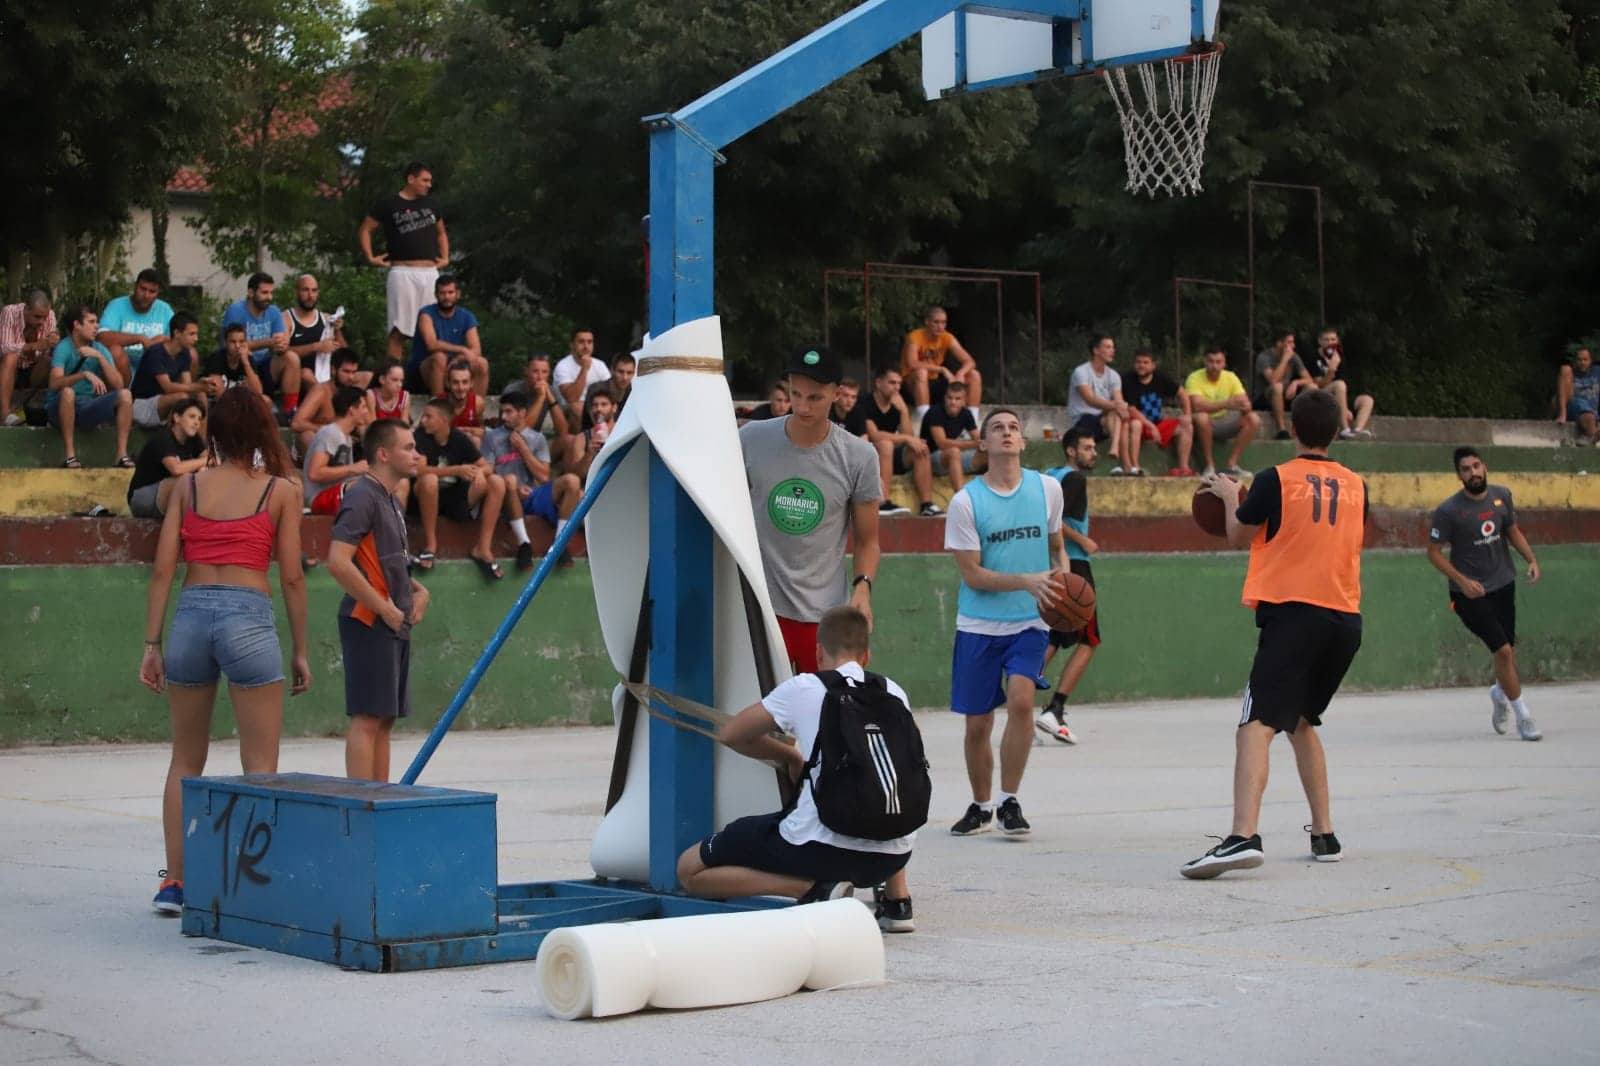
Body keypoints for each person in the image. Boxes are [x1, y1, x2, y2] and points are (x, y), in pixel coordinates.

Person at [1180, 389, 1365, 879]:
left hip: (1294, 613)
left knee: (1254, 723)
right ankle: (1324, 834)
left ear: (1294, 428)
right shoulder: (1356, 485)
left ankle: (1242, 837)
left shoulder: (1276, 479)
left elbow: (1238, 537)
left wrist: (1229, 498)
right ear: (1337, 427)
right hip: (1345, 619)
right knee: (1301, 720)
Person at [138, 386, 309, 914]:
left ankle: (175, 883)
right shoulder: (280, 491)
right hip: (249, 617)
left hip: (191, 616)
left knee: (185, 760)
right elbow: (294, 578)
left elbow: (164, 567)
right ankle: (256, 890)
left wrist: (151, 643)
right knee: (262, 764)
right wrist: (300, 648)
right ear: (261, 432)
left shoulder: (185, 487)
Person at [676, 606, 917, 926]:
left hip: (819, 850)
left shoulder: (804, 687)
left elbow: (731, 734)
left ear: (818, 653)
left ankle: (812, 888)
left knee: (689, 870)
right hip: (890, 858)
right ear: (866, 656)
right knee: (880, 776)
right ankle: (898, 902)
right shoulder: (893, 691)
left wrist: (790, 756)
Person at [945, 408, 1067, 838]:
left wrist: (1062, 588)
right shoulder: (965, 502)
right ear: (983, 444)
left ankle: (1009, 800)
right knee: (978, 723)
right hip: (978, 624)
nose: (1007, 432)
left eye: (1014, 427)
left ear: (1023, 442)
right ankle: (980, 805)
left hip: (1030, 622)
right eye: (997, 427)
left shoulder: (1048, 490)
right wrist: (1026, 581)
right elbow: (973, 575)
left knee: (1020, 700)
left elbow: (1057, 548)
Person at [740, 346, 881, 673]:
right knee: (758, 718)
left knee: (821, 718)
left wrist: (863, 588)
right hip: (760, 608)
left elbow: (868, 540)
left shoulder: (859, 456)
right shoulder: (750, 439)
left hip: (824, 615)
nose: (802, 406)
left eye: (815, 397)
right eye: (795, 394)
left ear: (837, 393)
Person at [327, 418, 428, 781]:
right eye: (408, 447)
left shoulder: (390, 500)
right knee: (368, 718)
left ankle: (382, 799)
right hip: (369, 620)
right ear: (383, 454)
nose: (416, 454)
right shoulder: (361, 495)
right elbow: (338, 561)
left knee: (384, 719)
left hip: (392, 621)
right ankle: (360, 804)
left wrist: (418, 591)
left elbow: (382, 562)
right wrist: (382, 606)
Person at [1426, 447, 1543, 741]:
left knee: (1507, 653)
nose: (1473, 473)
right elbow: (1434, 553)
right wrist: (1462, 581)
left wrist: (1531, 559)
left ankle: (1499, 692)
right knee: (1502, 651)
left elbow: (1512, 530)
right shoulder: (1449, 511)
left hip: (1503, 584)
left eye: (1476, 466)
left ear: (1484, 466)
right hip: (1469, 595)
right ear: (1459, 475)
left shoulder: (1502, 496)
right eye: (1466, 469)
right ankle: (1523, 716)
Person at [1037, 428, 1101, 745]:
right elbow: (1056, 522)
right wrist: (1083, 540)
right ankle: (1055, 709)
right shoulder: (1074, 479)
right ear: (1071, 451)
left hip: (1049, 566)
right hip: (1073, 567)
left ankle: (1021, 703)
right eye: (1088, 447)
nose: (1094, 453)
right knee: (1090, 640)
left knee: (1055, 636)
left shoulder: (1048, 477)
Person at [360, 161, 449, 363]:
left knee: (432, 330)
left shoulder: (432, 204)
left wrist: (445, 257)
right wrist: (370, 257)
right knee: (399, 330)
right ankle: (393, 380)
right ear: (411, 179)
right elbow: (366, 229)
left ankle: (431, 378)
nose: (429, 185)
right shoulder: (389, 204)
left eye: (430, 181)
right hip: (402, 271)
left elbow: (441, 232)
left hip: (429, 273)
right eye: (425, 180)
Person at [412, 397, 507, 579]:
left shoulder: (458, 438)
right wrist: (456, 470)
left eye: (428, 416)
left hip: (455, 499)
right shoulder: (420, 436)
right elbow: (420, 470)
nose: (422, 420)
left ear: (444, 421)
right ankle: (431, 544)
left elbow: (486, 465)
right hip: (425, 498)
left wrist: (480, 472)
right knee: (429, 479)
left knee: (496, 481)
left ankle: (483, 548)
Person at [481, 389, 563, 571]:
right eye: (502, 411)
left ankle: (561, 540)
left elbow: (543, 476)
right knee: (509, 481)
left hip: (533, 494)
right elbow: (488, 471)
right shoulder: (491, 437)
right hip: (506, 496)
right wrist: (515, 488)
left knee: (571, 482)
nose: (503, 416)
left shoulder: (537, 438)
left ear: (522, 413)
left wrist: (523, 449)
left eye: (509, 412)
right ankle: (524, 544)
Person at [846, 366, 941, 518]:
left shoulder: (897, 404)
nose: (896, 388)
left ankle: (927, 505)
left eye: (899, 383)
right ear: (878, 383)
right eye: (892, 383)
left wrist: (903, 410)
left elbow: (909, 437)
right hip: (871, 455)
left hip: (890, 456)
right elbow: (875, 435)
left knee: (920, 448)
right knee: (885, 445)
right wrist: (906, 438)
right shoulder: (865, 402)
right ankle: (883, 502)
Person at [47, 305, 134, 469]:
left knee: (125, 395)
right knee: (67, 392)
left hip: (87, 407)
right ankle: (70, 457)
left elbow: (119, 384)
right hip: (60, 409)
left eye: (97, 322)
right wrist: (83, 375)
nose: (97, 326)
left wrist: (100, 357)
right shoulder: (64, 348)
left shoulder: (99, 349)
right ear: (77, 325)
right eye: (91, 322)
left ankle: (121, 455)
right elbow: (54, 384)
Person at [220, 273, 296, 409]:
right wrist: (269, 342)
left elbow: (278, 342)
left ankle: (290, 411)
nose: (269, 297)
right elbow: (233, 345)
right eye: (264, 292)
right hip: (240, 365)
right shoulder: (236, 311)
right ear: (250, 292)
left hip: (265, 364)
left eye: (271, 293)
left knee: (291, 358)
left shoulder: (274, 312)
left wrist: (281, 345)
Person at [1183, 345, 1261, 477]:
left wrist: (1244, 405)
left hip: (1226, 421)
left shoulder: (1230, 377)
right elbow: (1197, 406)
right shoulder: (1194, 378)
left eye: (1218, 362)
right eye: (1211, 361)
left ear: (1224, 363)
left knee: (1253, 419)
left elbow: (1245, 403)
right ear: (1205, 362)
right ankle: (1210, 466)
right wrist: (1227, 403)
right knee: (1202, 417)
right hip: (1204, 424)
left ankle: (1232, 464)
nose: (1214, 366)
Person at [127, 398, 208, 519]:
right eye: (192, 416)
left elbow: (208, 460)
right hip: (143, 498)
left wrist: (205, 465)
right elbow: (175, 469)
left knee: (203, 474)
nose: (197, 422)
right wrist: (204, 462)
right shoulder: (163, 438)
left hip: (168, 496)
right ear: (177, 418)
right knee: (188, 480)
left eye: (199, 419)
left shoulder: (194, 439)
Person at [1120, 349, 1195, 477]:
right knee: (1136, 424)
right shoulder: (1127, 379)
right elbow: (1131, 409)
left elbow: (1182, 394)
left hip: (1157, 424)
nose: (1141, 365)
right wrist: (1151, 426)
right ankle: (1135, 467)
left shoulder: (1161, 378)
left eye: (1145, 362)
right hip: (1140, 425)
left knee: (1186, 425)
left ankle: (1184, 467)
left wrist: (1187, 415)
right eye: (1138, 362)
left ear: (1153, 365)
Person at [129, 311, 210, 430]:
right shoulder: (156, 353)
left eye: (196, 334)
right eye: (191, 334)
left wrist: (201, 384)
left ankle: (202, 445)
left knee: (201, 396)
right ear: (177, 333)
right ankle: (171, 441)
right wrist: (196, 386)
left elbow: (187, 385)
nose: (196, 338)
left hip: (162, 402)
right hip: (141, 405)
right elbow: (168, 386)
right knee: (182, 397)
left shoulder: (184, 353)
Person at [303, 386, 375, 516]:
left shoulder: (345, 437)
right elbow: (315, 473)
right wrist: (353, 468)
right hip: (319, 498)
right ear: (352, 410)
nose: (366, 412)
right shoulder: (330, 433)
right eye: (364, 407)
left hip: (337, 494)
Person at [900, 305, 982, 418]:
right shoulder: (914, 337)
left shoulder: (947, 337)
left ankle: (972, 421)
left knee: (974, 374)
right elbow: (912, 363)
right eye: (936, 322)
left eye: (943, 322)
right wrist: (942, 369)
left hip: (934, 384)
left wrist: (960, 374)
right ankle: (925, 420)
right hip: (911, 387)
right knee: (921, 372)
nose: (940, 326)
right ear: (927, 322)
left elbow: (970, 361)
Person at [410, 275, 485, 398]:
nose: (446, 297)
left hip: (455, 369)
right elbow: (432, 344)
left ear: (458, 294)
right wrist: (462, 349)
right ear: (436, 295)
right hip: (424, 370)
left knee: (482, 363)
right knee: (440, 357)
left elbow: (476, 349)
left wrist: (457, 360)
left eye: (450, 292)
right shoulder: (426, 314)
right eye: (442, 293)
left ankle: (476, 410)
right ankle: (439, 408)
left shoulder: (467, 316)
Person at [98, 268, 175, 384]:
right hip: (124, 363)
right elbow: (101, 337)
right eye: (142, 289)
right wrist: (139, 338)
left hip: (154, 364)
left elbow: (180, 339)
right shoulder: (117, 305)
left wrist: (164, 339)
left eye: (152, 291)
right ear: (135, 286)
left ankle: (185, 398)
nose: (146, 295)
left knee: (191, 353)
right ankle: (124, 398)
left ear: (158, 293)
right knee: (115, 351)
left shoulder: (165, 309)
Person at [285, 274, 358, 394]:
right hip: (302, 379)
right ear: (296, 292)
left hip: (329, 377)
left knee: (366, 376)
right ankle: (328, 400)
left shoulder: (326, 319)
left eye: (314, 290)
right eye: (305, 290)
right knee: (306, 374)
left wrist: (338, 330)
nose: (310, 295)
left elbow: (345, 355)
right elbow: (283, 355)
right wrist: (316, 347)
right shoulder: (287, 319)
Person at [1064, 334, 1128, 463]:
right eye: (1108, 347)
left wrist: (1119, 406)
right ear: (1096, 350)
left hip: (1102, 422)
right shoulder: (1081, 372)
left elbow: (1118, 399)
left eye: (1113, 347)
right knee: (1117, 412)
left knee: (1119, 416)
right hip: (1083, 422)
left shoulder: (1114, 375)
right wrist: (1118, 405)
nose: (1112, 350)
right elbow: (1090, 399)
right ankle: (1122, 461)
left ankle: (1116, 450)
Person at [1303, 328, 1375, 441]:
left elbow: (1344, 383)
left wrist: (1346, 408)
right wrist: (1331, 370)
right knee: (1339, 385)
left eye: (1333, 339)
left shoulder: (1339, 357)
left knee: (1367, 400)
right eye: (1326, 340)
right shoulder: (1313, 357)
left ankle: (1357, 431)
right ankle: (1344, 429)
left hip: (1339, 396)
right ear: (1320, 341)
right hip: (1321, 395)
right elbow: (1318, 384)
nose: (1330, 342)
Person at [291, 347, 367, 451]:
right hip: (317, 446)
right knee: (306, 435)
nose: (351, 377)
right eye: (346, 372)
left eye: (354, 372)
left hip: (345, 448)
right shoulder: (321, 391)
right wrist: (331, 432)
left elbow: (362, 426)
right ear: (333, 370)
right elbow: (297, 423)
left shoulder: (353, 393)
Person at [1, 289, 58, 426]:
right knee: (10, 357)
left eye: (44, 317)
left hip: (33, 371)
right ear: (26, 309)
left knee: (52, 361)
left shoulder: (50, 316)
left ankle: (50, 413)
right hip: (9, 369)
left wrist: (52, 342)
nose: (42, 321)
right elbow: (4, 347)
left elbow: (45, 351)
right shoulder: (10, 312)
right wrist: (34, 345)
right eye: (37, 317)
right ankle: (4, 414)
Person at [920, 378, 983, 491]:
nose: (953, 402)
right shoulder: (935, 412)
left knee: (990, 452)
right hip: (930, 458)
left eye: (957, 399)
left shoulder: (966, 413)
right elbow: (942, 443)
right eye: (950, 398)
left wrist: (984, 444)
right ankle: (961, 498)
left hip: (952, 458)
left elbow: (978, 438)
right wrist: (974, 444)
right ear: (945, 398)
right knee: (953, 452)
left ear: (965, 400)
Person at [1253, 330, 1313, 441]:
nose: (1293, 346)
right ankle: (1282, 430)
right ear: (1279, 343)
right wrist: (1285, 359)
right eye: (1289, 342)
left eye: (1293, 342)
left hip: (1285, 395)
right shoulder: (1264, 357)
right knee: (1278, 387)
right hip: (1265, 398)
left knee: (1312, 388)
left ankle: (1307, 428)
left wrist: (1296, 383)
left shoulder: (1294, 357)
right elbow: (1273, 380)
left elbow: (1309, 379)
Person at [553, 328, 607, 411]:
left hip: (595, 406)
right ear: (572, 345)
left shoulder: (600, 365)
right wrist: (584, 369)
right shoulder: (562, 366)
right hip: (567, 410)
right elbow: (572, 398)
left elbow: (609, 391)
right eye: (581, 342)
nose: (586, 346)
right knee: (578, 407)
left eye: (589, 342)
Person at [204, 324, 266, 395]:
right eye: (233, 342)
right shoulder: (217, 358)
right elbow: (218, 393)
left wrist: (246, 363)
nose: (237, 346)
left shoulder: (248, 359)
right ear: (226, 342)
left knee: (266, 400)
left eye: (241, 341)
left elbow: (258, 391)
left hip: (240, 399)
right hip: (219, 401)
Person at [1556, 346, 1600, 446]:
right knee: (1565, 368)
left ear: (1591, 361)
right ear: (1575, 361)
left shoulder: (1597, 372)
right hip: (1574, 408)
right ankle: (1593, 436)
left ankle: (1590, 438)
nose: (1582, 362)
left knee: (1590, 415)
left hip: (1592, 413)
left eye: (1585, 360)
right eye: (1579, 360)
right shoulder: (1570, 374)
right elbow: (1557, 399)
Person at [445, 359, 485, 443]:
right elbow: (424, 432)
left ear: (471, 383)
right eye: (455, 382)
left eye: (465, 382)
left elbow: (482, 431)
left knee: (476, 440)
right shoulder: (437, 403)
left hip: (467, 446)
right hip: (443, 447)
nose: (460, 388)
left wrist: (465, 430)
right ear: (448, 383)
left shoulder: (478, 403)